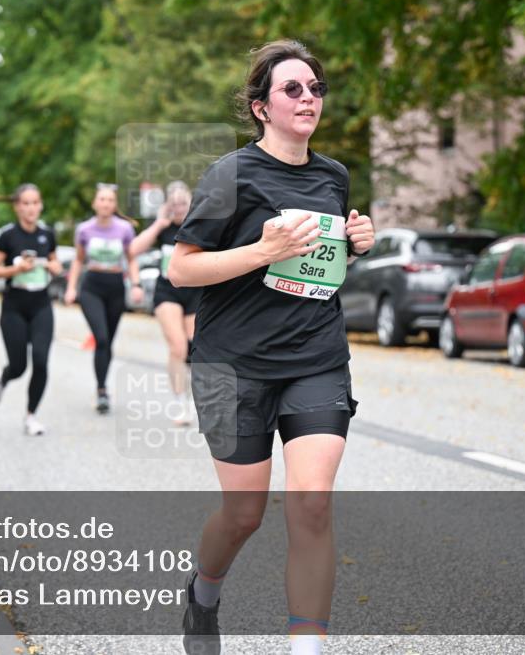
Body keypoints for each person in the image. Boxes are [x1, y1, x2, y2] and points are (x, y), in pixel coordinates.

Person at [167, 40, 375, 655]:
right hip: (233, 366)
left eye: (316, 88)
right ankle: (203, 594)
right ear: (261, 107)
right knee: (244, 514)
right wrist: (262, 251)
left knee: (311, 506)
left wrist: (356, 243)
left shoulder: (333, 176)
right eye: (293, 89)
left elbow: (322, 270)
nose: (308, 98)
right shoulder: (231, 175)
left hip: (316, 359)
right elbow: (182, 271)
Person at [0, 183, 64, 436]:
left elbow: (55, 262)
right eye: (25, 203)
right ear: (17, 207)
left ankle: (31, 416)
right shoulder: (7, 236)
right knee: (19, 366)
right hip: (14, 306)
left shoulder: (47, 234)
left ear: (40, 205)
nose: (31, 208)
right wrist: (15, 269)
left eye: (35, 203)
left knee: (40, 360)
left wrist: (54, 267)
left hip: (41, 304)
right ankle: (4, 378)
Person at [63, 183, 144, 413]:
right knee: (102, 338)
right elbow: (79, 260)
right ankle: (101, 390)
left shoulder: (125, 229)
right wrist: (71, 288)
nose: (106, 204)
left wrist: (136, 284)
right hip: (92, 286)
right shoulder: (84, 230)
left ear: (114, 204)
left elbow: (131, 259)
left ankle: (102, 386)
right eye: (102, 200)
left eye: (110, 200)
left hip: (115, 286)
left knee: (108, 340)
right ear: (95, 203)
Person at [128, 181, 200, 425]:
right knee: (177, 347)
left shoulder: (201, 226)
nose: (179, 208)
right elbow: (132, 250)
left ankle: (194, 399)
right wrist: (159, 222)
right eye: (175, 203)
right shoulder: (165, 228)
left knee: (196, 349)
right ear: (168, 205)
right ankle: (181, 404)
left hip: (195, 292)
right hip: (167, 291)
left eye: (183, 203)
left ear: (191, 202)